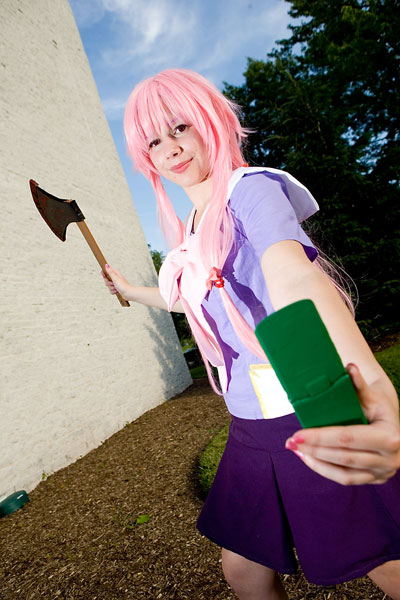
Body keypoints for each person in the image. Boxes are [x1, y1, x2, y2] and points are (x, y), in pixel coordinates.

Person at [103, 69, 400, 599]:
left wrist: (373, 384)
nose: (170, 148)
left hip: (302, 405)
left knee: (383, 560)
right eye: (153, 141)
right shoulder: (192, 226)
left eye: (179, 127)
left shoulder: (251, 189)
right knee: (244, 571)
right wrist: (129, 289)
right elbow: (189, 297)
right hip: (249, 424)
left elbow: (293, 273)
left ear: (210, 120)